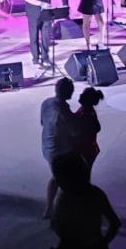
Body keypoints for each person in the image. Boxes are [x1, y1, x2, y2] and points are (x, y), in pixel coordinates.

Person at [41, 78, 76, 220]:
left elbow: (42, 122)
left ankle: (50, 208)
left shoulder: (46, 103)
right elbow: (75, 131)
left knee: (58, 177)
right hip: (59, 151)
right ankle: (56, 209)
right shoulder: (64, 109)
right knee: (62, 179)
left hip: (47, 146)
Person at [24, 0, 57, 68]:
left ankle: (45, 57)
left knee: (46, 36)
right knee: (34, 37)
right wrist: (41, 3)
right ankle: (36, 57)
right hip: (34, 13)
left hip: (46, 14)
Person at [72, 87, 104, 174]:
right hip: (89, 148)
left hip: (86, 149)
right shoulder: (87, 110)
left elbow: (95, 128)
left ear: (87, 99)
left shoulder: (85, 113)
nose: (80, 95)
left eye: (83, 95)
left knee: (84, 172)